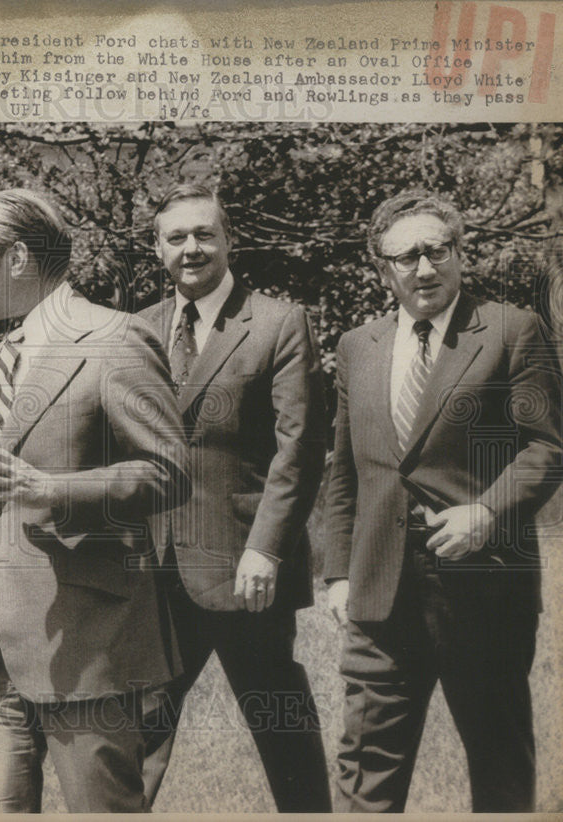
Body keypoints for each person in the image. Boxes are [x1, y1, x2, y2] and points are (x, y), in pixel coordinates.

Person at [0, 188, 190, 813]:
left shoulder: (115, 339)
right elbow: (4, 499)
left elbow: (170, 472)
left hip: (88, 651)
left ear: (16, 257)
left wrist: (57, 492)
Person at [323, 189, 563, 812]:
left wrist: (486, 512)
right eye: (405, 257)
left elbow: (545, 448)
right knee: (365, 770)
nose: (424, 268)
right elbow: (347, 470)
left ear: (460, 253)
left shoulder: (513, 329)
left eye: (437, 250)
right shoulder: (357, 346)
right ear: (383, 268)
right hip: (380, 596)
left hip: (486, 591)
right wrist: (336, 572)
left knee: (500, 765)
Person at [137, 184, 331, 811]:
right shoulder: (135, 329)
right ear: (156, 248)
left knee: (282, 728)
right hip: (154, 573)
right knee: (135, 737)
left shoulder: (278, 322)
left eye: (204, 234)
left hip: (248, 573)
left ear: (229, 241)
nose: (190, 249)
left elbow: (298, 450)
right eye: (176, 238)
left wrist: (266, 551)